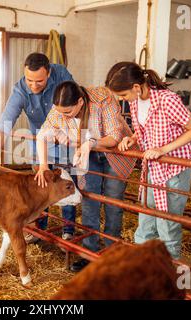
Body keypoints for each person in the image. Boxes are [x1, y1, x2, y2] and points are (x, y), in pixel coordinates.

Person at [0, 52, 76, 243]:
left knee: (65, 181)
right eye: (30, 80)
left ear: (49, 73)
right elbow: (4, 125)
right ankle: (39, 227)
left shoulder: (61, 74)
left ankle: (68, 229)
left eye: (39, 81)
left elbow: (75, 101)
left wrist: (72, 133)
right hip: (38, 140)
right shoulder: (20, 90)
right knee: (40, 183)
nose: (34, 85)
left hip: (64, 138)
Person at [35, 81, 137, 272]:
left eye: (67, 112)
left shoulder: (102, 98)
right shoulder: (60, 109)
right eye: (60, 112)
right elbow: (42, 134)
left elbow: (114, 137)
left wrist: (89, 143)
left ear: (80, 102)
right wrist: (42, 165)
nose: (63, 116)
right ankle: (89, 254)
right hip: (87, 154)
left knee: (113, 201)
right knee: (89, 199)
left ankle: (110, 254)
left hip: (115, 153)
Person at [106, 61, 191, 260]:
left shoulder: (168, 100)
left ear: (135, 87)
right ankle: (143, 265)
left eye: (123, 95)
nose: (123, 99)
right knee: (146, 218)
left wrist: (162, 150)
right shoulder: (134, 101)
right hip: (152, 168)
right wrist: (131, 138)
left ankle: (168, 271)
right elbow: (142, 131)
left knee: (167, 224)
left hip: (174, 168)